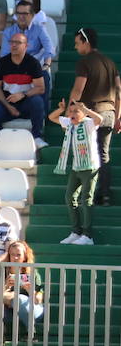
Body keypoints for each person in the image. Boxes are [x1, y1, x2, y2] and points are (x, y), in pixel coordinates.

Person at [67, 28, 117, 206]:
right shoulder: (110, 62)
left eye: (77, 43)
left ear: (86, 42)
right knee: (103, 155)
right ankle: (105, 196)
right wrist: (118, 115)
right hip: (109, 113)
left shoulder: (84, 62)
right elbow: (118, 90)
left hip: (92, 115)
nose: (75, 47)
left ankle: (88, 195)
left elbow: (78, 89)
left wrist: (69, 109)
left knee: (87, 155)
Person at [51, 98, 104, 246]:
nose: (72, 114)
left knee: (86, 200)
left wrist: (86, 110)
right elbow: (52, 117)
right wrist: (61, 110)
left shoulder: (89, 122)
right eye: (71, 111)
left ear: (83, 113)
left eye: (76, 111)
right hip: (76, 167)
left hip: (90, 167)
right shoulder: (69, 123)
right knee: (69, 198)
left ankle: (88, 236)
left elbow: (99, 119)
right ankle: (76, 232)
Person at [0, 30, 47, 147]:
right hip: (7, 102)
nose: (14, 45)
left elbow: (40, 88)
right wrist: (8, 106)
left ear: (26, 45)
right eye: (12, 42)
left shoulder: (33, 63)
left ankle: (37, 136)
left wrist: (23, 94)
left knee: (38, 102)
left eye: (18, 42)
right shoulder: (1, 63)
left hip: (26, 102)